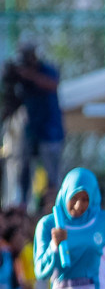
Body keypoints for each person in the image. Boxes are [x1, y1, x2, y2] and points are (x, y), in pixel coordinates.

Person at [4, 43, 63, 211]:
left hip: (51, 132)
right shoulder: (22, 79)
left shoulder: (45, 70)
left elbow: (52, 84)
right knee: (23, 168)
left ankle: (53, 205)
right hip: (31, 131)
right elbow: (14, 103)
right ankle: (23, 204)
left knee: (52, 173)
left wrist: (28, 75)